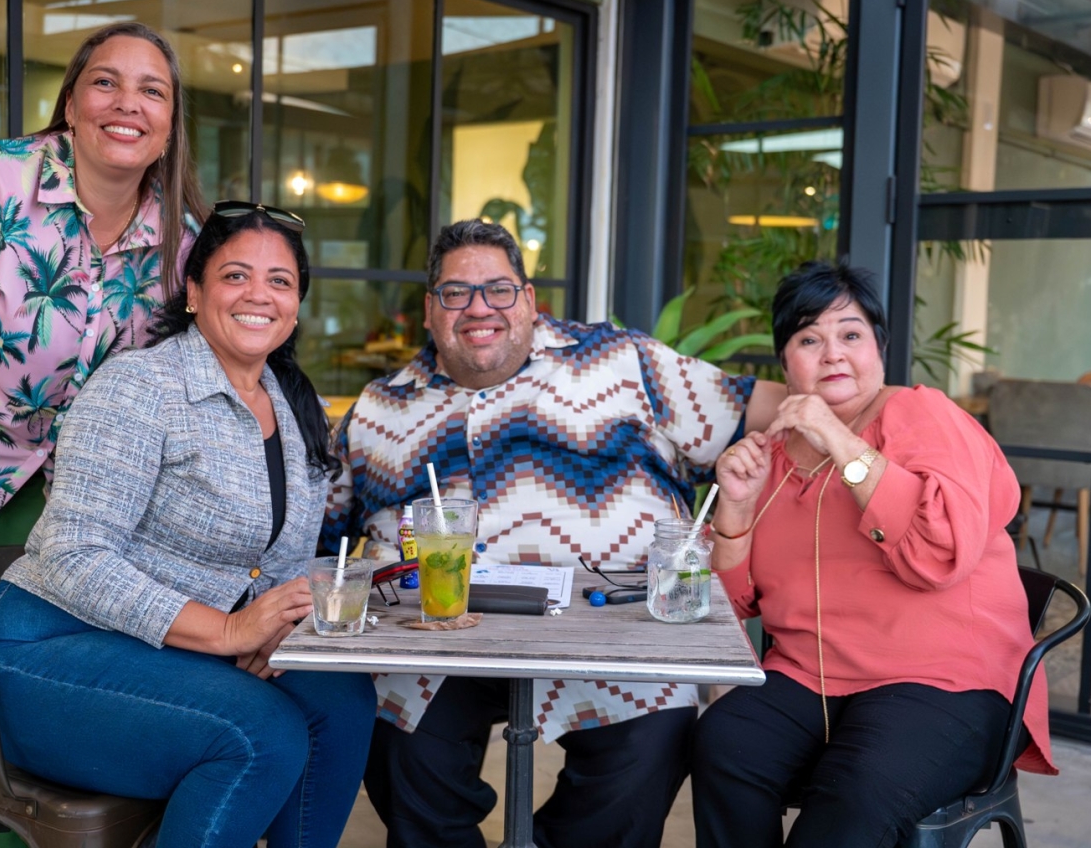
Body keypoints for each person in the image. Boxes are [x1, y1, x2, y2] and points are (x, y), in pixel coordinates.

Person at [322, 218, 785, 848]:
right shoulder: (379, 408)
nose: (479, 307)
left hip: (615, 626)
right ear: (431, 311)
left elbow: (772, 412)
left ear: (530, 300)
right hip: (434, 636)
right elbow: (325, 533)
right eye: (456, 293)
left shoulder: (624, 362)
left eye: (499, 289)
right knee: (401, 743)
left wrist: (878, 415)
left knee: (650, 735)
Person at [0, 202, 375, 847]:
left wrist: (280, 628)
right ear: (195, 291)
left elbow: (284, 564)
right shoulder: (139, 386)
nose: (258, 295)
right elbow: (73, 558)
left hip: (167, 655)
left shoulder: (295, 409)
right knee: (260, 733)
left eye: (280, 281)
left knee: (341, 704)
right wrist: (232, 630)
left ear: (296, 306)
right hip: (43, 652)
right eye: (236, 275)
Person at [0, 21, 208, 848]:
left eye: (153, 90)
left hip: (56, 495)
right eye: (106, 82)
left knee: (18, 685)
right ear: (70, 101)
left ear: (172, 124)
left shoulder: (179, 242)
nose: (127, 104)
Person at [689, 261, 1055, 848]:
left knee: (854, 790)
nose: (832, 354)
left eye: (850, 334)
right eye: (809, 339)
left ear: (879, 348)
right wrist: (734, 510)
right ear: (786, 364)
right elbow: (728, 613)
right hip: (810, 676)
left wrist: (838, 438)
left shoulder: (924, 415)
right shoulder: (776, 456)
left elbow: (939, 555)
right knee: (724, 744)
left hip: (945, 682)